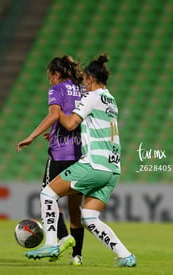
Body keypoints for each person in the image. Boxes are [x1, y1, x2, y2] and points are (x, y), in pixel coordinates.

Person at [25, 54, 136, 267]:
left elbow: (69, 123)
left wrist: (57, 116)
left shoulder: (91, 96)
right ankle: (125, 256)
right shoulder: (111, 99)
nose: (83, 83)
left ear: (91, 79)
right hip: (112, 169)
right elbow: (89, 126)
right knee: (90, 217)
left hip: (93, 165)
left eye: (85, 79)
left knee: (47, 194)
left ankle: (51, 243)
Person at [16, 56, 85, 265]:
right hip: (79, 154)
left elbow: (55, 114)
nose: (50, 81)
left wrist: (32, 135)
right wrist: (56, 132)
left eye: (50, 77)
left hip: (59, 154)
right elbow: (77, 120)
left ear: (56, 74)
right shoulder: (82, 90)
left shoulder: (57, 89)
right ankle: (77, 257)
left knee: (48, 197)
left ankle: (61, 240)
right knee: (74, 208)